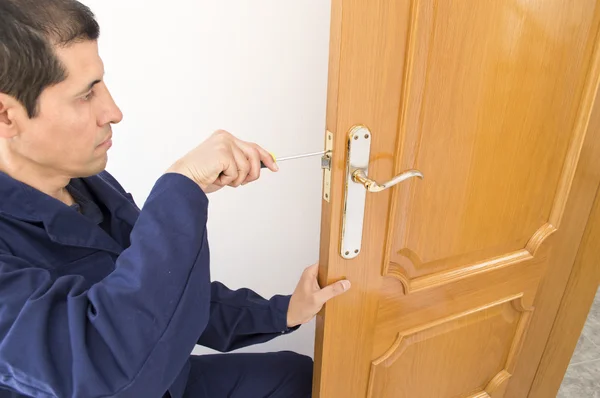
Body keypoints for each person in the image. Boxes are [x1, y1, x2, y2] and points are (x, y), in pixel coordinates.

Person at [0, 1, 351, 397]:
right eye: (85, 95)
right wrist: (179, 187)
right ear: (6, 115)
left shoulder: (88, 183)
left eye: (100, 83)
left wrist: (282, 311)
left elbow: (161, 291)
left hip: (171, 382)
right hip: (133, 383)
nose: (113, 112)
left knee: (298, 378)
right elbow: (102, 363)